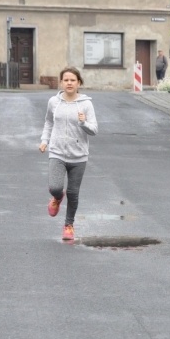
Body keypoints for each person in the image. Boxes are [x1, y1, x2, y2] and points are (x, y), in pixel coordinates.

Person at [39, 67, 98, 241]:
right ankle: (57, 197)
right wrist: (44, 141)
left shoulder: (86, 104)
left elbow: (94, 130)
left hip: (79, 156)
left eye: (73, 80)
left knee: (73, 192)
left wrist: (83, 123)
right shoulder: (53, 102)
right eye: (66, 80)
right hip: (57, 152)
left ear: (79, 83)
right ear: (61, 82)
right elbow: (48, 122)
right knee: (55, 187)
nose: (69, 83)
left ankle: (68, 225)